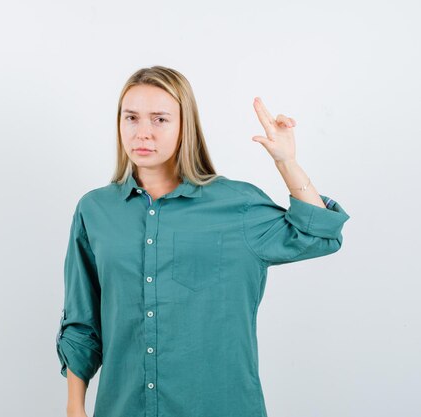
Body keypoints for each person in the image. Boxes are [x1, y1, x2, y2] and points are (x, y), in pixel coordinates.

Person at [55, 65, 350, 417]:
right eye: (131, 118)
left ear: (185, 127)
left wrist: (286, 162)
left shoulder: (236, 205)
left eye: (160, 119)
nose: (142, 133)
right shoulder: (95, 210)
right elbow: (82, 320)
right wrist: (75, 407)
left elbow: (320, 234)